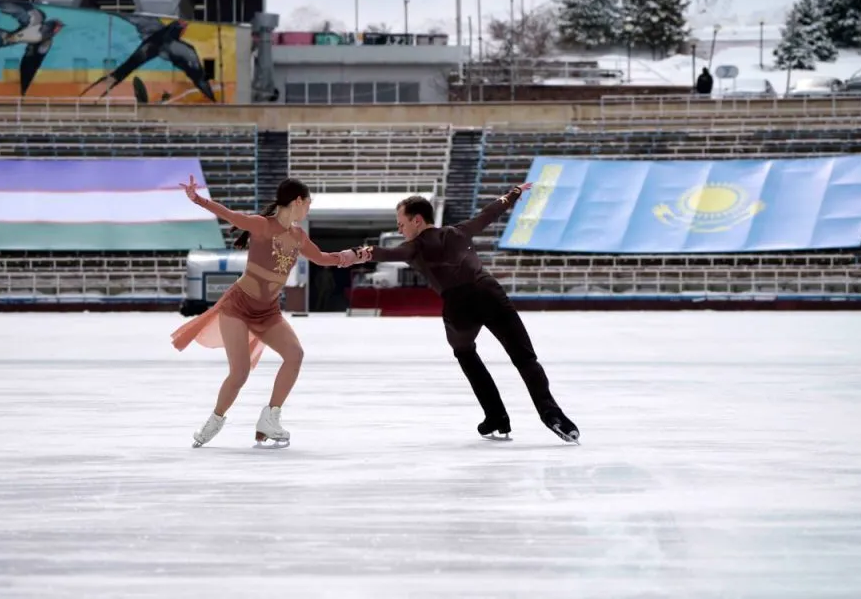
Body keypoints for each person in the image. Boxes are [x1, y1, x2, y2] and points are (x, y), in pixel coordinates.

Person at [351, 186, 580, 444]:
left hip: (459, 306)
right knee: (525, 358)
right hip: (489, 293)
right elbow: (490, 213)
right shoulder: (459, 231)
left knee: (465, 353)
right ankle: (552, 415)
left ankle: (496, 416)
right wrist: (514, 193)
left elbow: (383, 253)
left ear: (417, 220)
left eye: (401, 224)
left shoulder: (413, 248)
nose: (399, 229)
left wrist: (351, 255)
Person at [171, 176, 358, 448]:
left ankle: (270, 418)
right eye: (308, 203)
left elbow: (321, 258)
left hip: (268, 311)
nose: (309, 209)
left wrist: (350, 256)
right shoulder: (262, 226)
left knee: (295, 355)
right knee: (240, 373)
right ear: (298, 201)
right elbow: (231, 216)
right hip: (238, 307)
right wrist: (198, 199)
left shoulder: (298, 237)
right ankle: (215, 419)